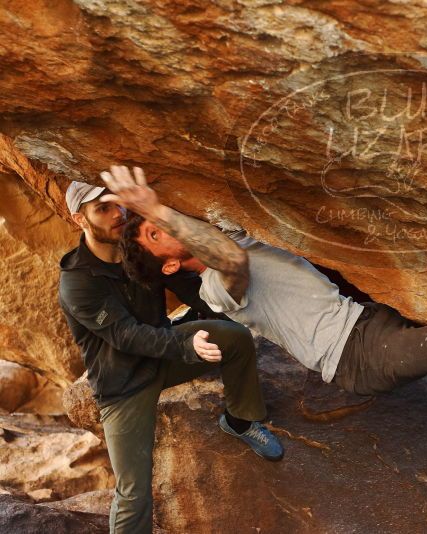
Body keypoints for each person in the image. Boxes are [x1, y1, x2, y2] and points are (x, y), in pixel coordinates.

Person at [100, 165, 427, 417]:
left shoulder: (231, 235)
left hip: (367, 320)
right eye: (156, 234)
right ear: (172, 265)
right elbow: (230, 260)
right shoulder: (217, 288)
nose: (161, 223)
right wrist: (153, 206)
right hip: (357, 358)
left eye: (157, 222)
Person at [57, 180, 284, 534]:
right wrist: (185, 346)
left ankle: (239, 422)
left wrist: (230, 309)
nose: (118, 214)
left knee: (236, 338)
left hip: (165, 352)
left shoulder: (139, 246)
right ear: (79, 219)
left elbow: (190, 290)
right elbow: (125, 335)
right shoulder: (77, 282)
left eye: (118, 204)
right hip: (124, 385)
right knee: (133, 491)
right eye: (102, 209)